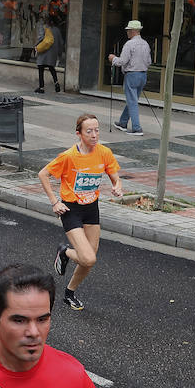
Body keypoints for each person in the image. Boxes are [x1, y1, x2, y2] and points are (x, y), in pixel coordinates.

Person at [40, 114, 124, 311]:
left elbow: (115, 178)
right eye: (89, 131)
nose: (94, 135)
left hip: (91, 209)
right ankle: (65, 251)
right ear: (79, 134)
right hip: (71, 210)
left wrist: (118, 186)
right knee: (88, 258)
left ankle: (69, 293)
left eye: (97, 130)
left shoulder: (104, 153)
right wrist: (54, 202)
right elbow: (43, 174)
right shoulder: (69, 156)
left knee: (88, 261)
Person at [109, 19, 151, 135]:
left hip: (132, 75)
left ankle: (137, 128)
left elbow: (122, 61)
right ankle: (122, 122)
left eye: (128, 30)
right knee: (133, 100)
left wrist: (113, 59)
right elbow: (149, 62)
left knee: (132, 101)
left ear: (133, 31)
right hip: (143, 75)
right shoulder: (145, 44)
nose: (127, 32)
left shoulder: (129, 44)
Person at [33, 9, 63, 94]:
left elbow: (41, 38)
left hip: (43, 53)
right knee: (52, 68)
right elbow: (61, 43)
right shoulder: (57, 30)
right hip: (52, 54)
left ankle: (41, 87)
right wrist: (59, 54)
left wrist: (35, 46)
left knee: (41, 69)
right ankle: (56, 83)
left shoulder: (46, 28)